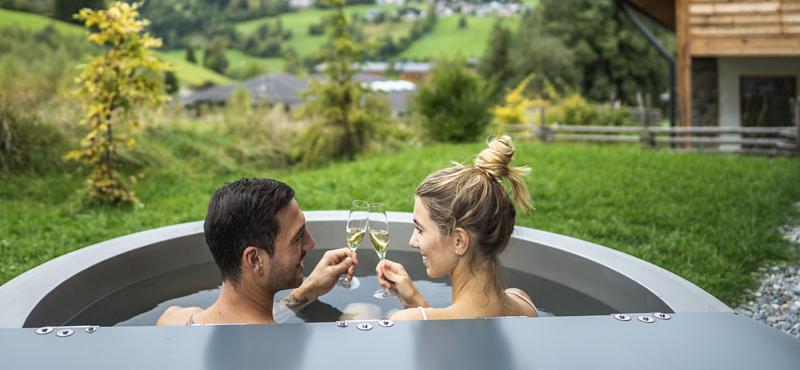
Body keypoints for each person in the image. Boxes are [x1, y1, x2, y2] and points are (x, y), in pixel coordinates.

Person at [375, 136, 538, 320]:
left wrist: (418, 313)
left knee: (362, 309)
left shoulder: (407, 320)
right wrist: (414, 299)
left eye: (420, 230)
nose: (412, 242)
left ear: (459, 241)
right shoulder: (524, 303)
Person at [157, 177, 357, 325]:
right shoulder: (287, 349)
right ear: (254, 259)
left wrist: (309, 289)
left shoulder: (172, 320)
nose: (310, 243)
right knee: (360, 310)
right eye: (297, 237)